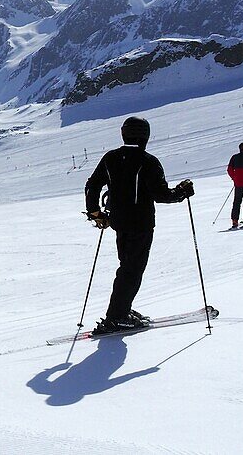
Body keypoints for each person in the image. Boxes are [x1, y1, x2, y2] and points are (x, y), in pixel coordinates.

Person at [84, 117, 194, 334]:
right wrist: (182, 192)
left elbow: (92, 185)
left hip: (118, 222)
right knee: (132, 270)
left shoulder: (111, 158)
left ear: (123, 133)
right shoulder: (149, 161)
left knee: (127, 266)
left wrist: (96, 213)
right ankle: (117, 316)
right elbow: (162, 195)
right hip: (141, 223)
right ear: (146, 135)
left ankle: (122, 309)